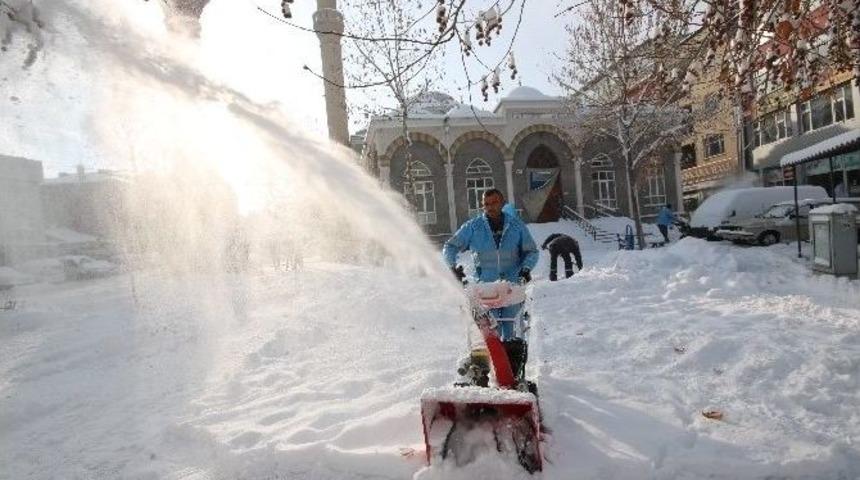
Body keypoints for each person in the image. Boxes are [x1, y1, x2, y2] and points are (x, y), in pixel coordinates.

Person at [443, 189, 539, 340]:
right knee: (491, 331)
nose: (490, 207)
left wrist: (526, 269)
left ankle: (513, 357)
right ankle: (494, 361)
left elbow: (532, 251)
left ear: (502, 203)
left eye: (494, 203)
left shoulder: (516, 226)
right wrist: (452, 266)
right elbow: (450, 246)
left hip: (511, 286)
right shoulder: (474, 227)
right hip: (485, 288)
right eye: (486, 204)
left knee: (512, 330)